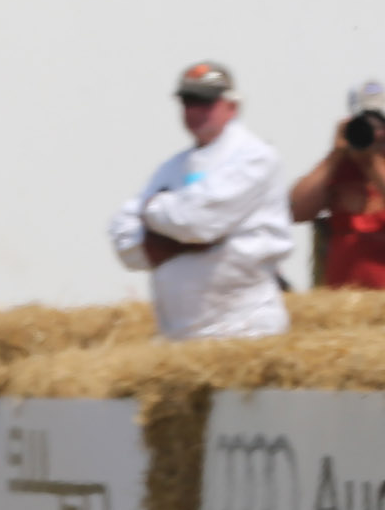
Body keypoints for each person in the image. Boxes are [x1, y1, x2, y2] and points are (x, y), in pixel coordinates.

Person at [107, 60, 295, 340]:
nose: (195, 111)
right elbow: (123, 240)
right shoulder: (171, 167)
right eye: (188, 102)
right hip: (182, 339)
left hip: (246, 331)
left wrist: (154, 218)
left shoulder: (255, 157)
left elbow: (199, 222)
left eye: (205, 102)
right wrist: (184, 238)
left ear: (232, 106)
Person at [288, 81, 385, 289]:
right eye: (368, 123)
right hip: (344, 299)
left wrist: (372, 163)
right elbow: (294, 210)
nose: (378, 132)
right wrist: (335, 155)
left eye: (384, 122)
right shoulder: (339, 163)